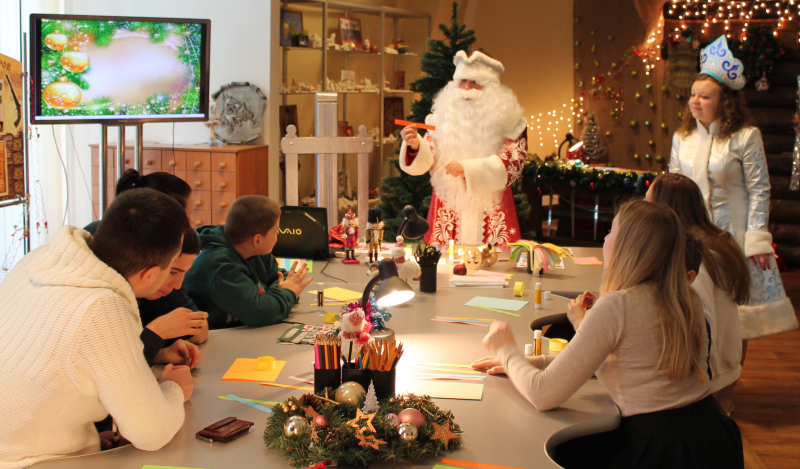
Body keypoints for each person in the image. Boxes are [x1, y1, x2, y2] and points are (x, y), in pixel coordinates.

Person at [471, 200, 743, 468]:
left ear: (628, 247)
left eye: (612, 231)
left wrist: (505, 349)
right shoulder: (687, 298)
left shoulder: (618, 306)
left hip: (659, 451)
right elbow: (630, 364)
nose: (605, 238)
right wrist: (530, 363)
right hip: (712, 437)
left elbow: (543, 394)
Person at [0, 189, 195, 468]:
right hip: (33, 460)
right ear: (149, 274)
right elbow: (152, 433)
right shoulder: (101, 308)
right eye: (172, 268)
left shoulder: (44, 258)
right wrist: (174, 389)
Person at [668, 35, 796, 341]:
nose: (695, 101)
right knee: (695, 313)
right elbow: (673, 188)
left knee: (737, 320)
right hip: (691, 236)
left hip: (732, 237)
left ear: (724, 101)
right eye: (693, 95)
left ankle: (729, 378)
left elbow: (759, 190)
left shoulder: (745, 137)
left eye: (705, 97)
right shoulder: (682, 139)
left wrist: (755, 240)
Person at [648, 172, 752, 415]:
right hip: (724, 366)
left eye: (649, 202)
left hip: (711, 374)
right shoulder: (718, 243)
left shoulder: (698, 257)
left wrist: (698, 380)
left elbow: (703, 321)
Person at [399, 50, 527, 246]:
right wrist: (416, 146)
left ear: (491, 88)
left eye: (475, 82)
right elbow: (428, 156)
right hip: (447, 209)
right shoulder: (439, 120)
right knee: (441, 270)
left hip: (493, 213)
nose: (467, 88)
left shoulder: (511, 124)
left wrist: (467, 170)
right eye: (463, 81)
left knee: (496, 271)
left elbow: (513, 165)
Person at [184, 195, 313, 329]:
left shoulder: (253, 250)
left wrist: (281, 293)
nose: (278, 233)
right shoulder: (221, 266)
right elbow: (260, 313)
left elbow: (279, 277)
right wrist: (288, 293)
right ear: (257, 240)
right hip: (213, 340)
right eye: (276, 231)